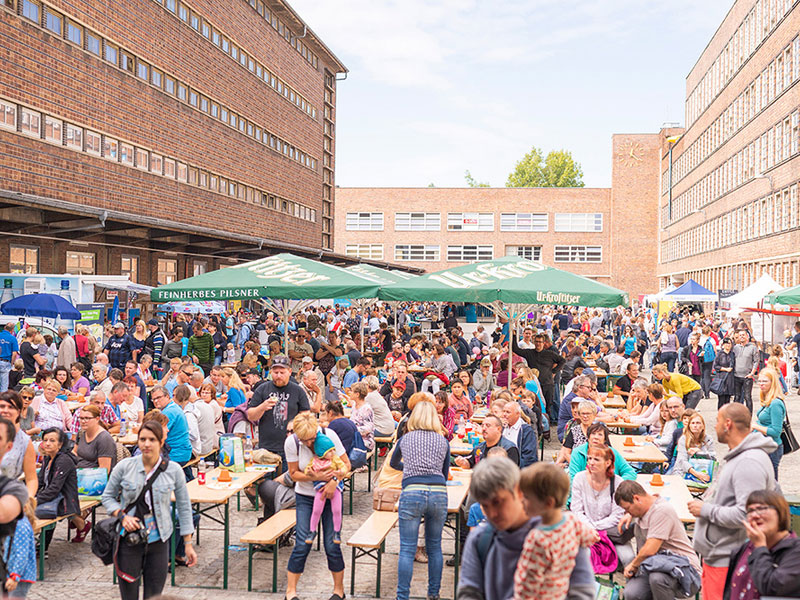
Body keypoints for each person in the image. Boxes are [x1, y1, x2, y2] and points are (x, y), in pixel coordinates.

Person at [457, 456, 595, 600]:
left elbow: (582, 592)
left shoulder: (560, 531)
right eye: (485, 506)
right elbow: (469, 592)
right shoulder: (480, 539)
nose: (492, 514)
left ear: (519, 491)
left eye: (498, 502)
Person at [689, 403, 777, 600]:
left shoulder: (748, 462)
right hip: (720, 556)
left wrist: (706, 510)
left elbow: (747, 515)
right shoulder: (740, 457)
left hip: (729, 560)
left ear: (728, 424)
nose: (715, 426)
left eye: (718, 421)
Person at [102, 420, 197, 600]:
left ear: (161, 442)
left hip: (159, 539)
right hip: (129, 539)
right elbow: (107, 497)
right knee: (129, 596)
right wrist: (122, 516)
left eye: (152, 439)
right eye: (142, 439)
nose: (146, 444)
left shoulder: (173, 470)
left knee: (154, 596)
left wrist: (188, 543)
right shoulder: (125, 466)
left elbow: (184, 506)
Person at [283, 412, 349, 600]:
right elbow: (294, 474)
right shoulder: (292, 443)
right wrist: (316, 477)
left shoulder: (329, 435)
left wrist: (334, 480)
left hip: (331, 494)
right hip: (305, 495)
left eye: (311, 439)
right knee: (303, 542)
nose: (309, 444)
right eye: (305, 440)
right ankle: (290, 592)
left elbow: (346, 464)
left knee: (332, 543)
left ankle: (338, 590)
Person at [390, 401, 450, 600]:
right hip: (438, 492)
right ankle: (433, 593)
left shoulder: (405, 439)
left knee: (407, 548)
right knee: (434, 546)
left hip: (412, 490)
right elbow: (444, 472)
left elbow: (392, 462)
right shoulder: (443, 441)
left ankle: (402, 596)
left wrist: (409, 470)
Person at [513, 463, 599, 600]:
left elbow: (527, 583)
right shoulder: (571, 520)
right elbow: (590, 537)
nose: (522, 501)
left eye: (527, 497)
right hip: (560, 593)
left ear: (548, 503)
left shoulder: (538, 539)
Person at [614, 480, 701, 600]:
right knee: (632, 593)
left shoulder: (662, 511)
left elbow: (650, 549)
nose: (627, 513)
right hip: (654, 566)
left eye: (628, 509)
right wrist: (630, 514)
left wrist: (633, 565)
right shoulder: (642, 507)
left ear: (637, 499)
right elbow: (646, 495)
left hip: (684, 569)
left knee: (657, 579)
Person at [723, 489, 800, 599]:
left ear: (780, 512)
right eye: (750, 511)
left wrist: (760, 547)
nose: (755, 515)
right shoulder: (744, 549)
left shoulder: (795, 551)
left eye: (761, 509)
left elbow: (772, 589)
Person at [248, 355, 310, 469]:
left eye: (282, 372)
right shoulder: (262, 389)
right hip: (266, 446)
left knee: (288, 481)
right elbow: (251, 415)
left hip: (291, 445)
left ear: (289, 372)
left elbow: (306, 415)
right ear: (271, 372)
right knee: (265, 484)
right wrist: (262, 407)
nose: (279, 376)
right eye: (276, 372)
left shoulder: (298, 390)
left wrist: (295, 422)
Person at [570, 445, 628, 546]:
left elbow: (617, 515)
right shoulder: (579, 478)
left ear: (608, 463)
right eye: (589, 458)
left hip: (609, 532)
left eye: (596, 459)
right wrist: (590, 529)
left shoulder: (617, 482)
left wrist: (595, 528)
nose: (591, 463)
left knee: (627, 557)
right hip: (584, 530)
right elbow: (577, 510)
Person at [35, 428, 81, 546]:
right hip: (53, 496)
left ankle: (42, 545)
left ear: (60, 444)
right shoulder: (47, 457)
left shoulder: (64, 460)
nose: (47, 443)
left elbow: (55, 488)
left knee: (33, 512)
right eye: (45, 440)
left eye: (52, 440)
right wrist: (29, 495)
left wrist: (35, 500)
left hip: (65, 500)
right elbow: (39, 482)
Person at [512, 334, 565, 422]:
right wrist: (514, 335)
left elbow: (562, 360)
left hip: (547, 383)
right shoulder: (529, 353)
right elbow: (516, 349)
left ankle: (547, 426)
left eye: (540, 342)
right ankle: (538, 424)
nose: (538, 344)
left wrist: (554, 371)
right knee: (534, 405)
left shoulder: (550, 354)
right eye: (536, 342)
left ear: (544, 343)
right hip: (534, 384)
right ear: (534, 342)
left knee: (548, 405)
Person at [305, 431, 346, 544]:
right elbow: (307, 470)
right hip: (320, 488)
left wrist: (340, 473)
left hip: (335, 487)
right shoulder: (314, 461)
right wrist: (310, 473)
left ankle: (337, 532)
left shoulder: (335, 459)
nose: (333, 453)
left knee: (337, 510)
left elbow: (344, 467)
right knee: (317, 510)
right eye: (329, 451)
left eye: (333, 450)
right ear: (322, 452)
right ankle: (312, 531)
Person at [569, 422, 637, 481]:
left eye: (600, 434)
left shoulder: (612, 452)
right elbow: (573, 478)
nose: (596, 437)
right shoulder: (577, 453)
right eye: (593, 434)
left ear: (605, 440)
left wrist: (617, 485)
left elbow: (631, 473)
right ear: (588, 437)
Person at [0, 392, 37, 499]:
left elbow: (31, 479)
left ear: (19, 411)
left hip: (7, 498)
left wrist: (28, 499)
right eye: (2, 406)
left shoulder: (24, 441)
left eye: (11, 407)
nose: (5, 410)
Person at [752, 367, 787, 479]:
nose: (761, 384)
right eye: (760, 381)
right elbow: (765, 421)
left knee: (771, 484)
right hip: (764, 445)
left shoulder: (775, 403)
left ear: (773, 383)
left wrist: (755, 426)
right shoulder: (768, 400)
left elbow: (775, 431)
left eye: (765, 381)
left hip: (772, 448)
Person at [149, 385, 193, 468]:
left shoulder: (169, 412)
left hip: (176, 454)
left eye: (158, 397)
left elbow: (156, 434)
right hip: (184, 451)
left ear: (167, 396)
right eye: (153, 399)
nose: (156, 401)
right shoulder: (173, 407)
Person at [455, 415, 519, 468]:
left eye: (488, 425)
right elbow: (470, 463)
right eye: (482, 425)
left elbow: (511, 476)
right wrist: (463, 463)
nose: (483, 428)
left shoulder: (509, 449)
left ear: (499, 429)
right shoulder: (479, 447)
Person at [672, 412, 715, 481]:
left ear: (703, 426)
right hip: (684, 472)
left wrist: (699, 452)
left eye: (698, 423)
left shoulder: (708, 439)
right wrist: (697, 474)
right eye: (693, 423)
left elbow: (713, 458)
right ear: (689, 426)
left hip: (703, 470)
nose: (695, 425)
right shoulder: (683, 439)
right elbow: (682, 461)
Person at [555, 400, 596, 468]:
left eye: (588, 413)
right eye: (583, 414)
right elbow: (566, 452)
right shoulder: (574, 430)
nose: (585, 416)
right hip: (575, 465)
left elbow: (607, 450)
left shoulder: (599, 431)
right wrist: (576, 465)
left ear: (594, 415)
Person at [501, 401, 537, 468]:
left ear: (517, 414)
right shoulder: (501, 427)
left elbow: (529, 458)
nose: (504, 414)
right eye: (503, 411)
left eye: (508, 412)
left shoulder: (526, 430)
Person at [733, 330, 759, 413]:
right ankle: (736, 414)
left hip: (747, 377)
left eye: (743, 335)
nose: (741, 337)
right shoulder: (735, 348)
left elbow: (756, 361)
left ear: (747, 336)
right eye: (740, 335)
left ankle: (748, 416)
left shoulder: (753, 347)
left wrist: (752, 373)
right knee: (737, 397)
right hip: (736, 376)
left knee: (747, 397)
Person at [348, 381, 374, 451]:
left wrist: (353, 430)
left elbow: (368, 428)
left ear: (357, 394)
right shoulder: (354, 405)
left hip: (365, 441)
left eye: (351, 391)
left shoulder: (366, 409)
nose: (349, 392)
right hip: (354, 438)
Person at [711, 337, 736, 408]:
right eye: (726, 343)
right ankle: (720, 415)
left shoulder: (732, 354)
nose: (728, 345)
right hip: (722, 378)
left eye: (729, 343)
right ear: (723, 345)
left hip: (730, 379)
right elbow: (716, 366)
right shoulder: (720, 354)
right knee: (721, 399)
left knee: (728, 400)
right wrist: (725, 369)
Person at [0, 323, 19, 393]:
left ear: (5, 327)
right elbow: (14, 354)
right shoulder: (12, 339)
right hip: (5, 362)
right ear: (12, 330)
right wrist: (11, 364)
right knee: (4, 385)